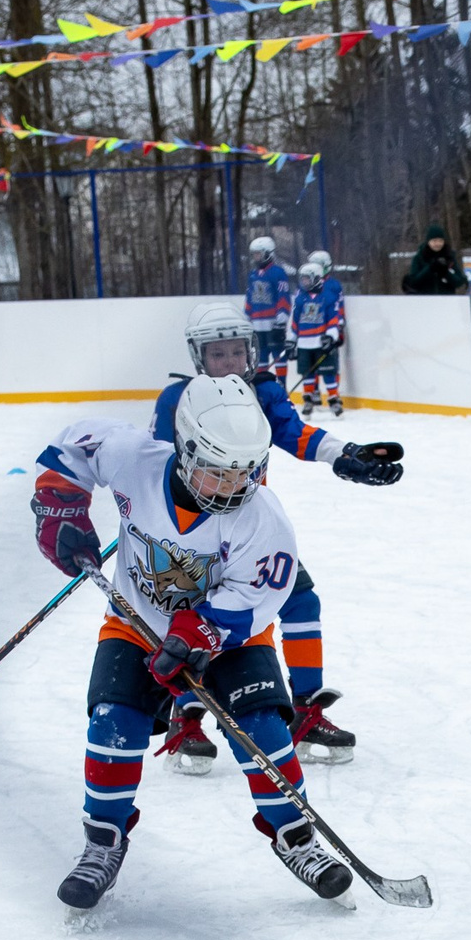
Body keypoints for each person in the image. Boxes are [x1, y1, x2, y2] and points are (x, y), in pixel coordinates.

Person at [31, 378, 361, 911]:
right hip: (136, 625)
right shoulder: (131, 457)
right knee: (114, 723)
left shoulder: (264, 519)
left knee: (263, 732)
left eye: (246, 469)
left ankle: (297, 838)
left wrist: (201, 630)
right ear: (184, 448)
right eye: (218, 467)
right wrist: (59, 506)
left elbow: (261, 594)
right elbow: (73, 447)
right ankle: (102, 842)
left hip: (233, 640)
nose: (234, 483)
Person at [151, 301, 404, 773]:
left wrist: (345, 455)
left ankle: (307, 711)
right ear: (197, 357)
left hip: (250, 534)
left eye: (236, 353)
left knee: (301, 601)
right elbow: (153, 467)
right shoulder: (177, 399)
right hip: (190, 538)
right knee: (191, 623)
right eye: (217, 354)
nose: (229, 363)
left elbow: (295, 432)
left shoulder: (262, 390)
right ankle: (186, 719)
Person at [290, 257, 347, 417]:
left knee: (328, 372)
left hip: (320, 342)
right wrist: (291, 340)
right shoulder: (300, 298)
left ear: (316, 278)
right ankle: (308, 400)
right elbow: (295, 322)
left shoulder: (328, 296)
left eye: (307, 278)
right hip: (304, 343)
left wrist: (331, 336)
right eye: (302, 278)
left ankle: (334, 399)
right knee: (307, 374)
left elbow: (333, 319)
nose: (304, 282)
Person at [244, 235, 294, 373]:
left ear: (268, 254)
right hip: (257, 324)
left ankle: (281, 384)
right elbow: (250, 298)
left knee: (278, 356)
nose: (255, 257)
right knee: (260, 357)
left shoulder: (278, 273)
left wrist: (281, 320)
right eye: (254, 254)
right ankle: (264, 385)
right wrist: (246, 317)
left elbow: (283, 298)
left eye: (258, 254)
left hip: (273, 324)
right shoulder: (253, 275)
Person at [401, 225, 467, 296]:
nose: (438, 244)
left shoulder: (449, 257)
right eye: (434, 241)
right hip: (425, 299)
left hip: (447, 299)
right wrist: (430, 268)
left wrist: (445, 273)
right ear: (428, 241)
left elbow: (459, 282)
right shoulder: (419, 258)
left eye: (440, 241)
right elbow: (413, 282)